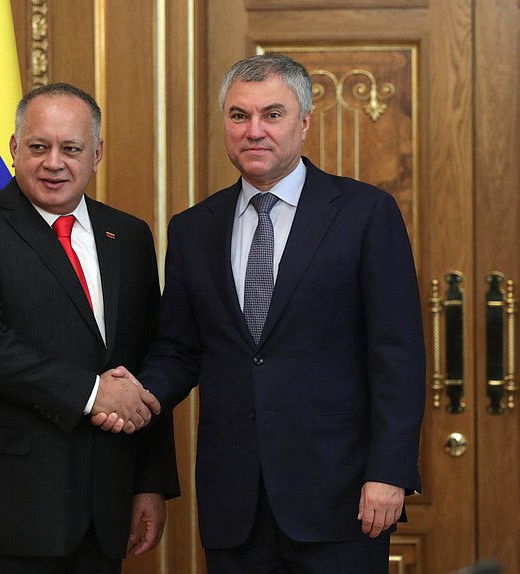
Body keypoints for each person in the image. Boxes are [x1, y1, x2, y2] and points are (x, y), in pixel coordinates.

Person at [96, 53, 425, 573]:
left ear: (304, 122)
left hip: (340, 496)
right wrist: (134, 395)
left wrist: (390, 472)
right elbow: (180, 348)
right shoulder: (193, 228)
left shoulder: (365, 214)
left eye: (272, 114)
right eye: (238, 115)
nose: (254, 131)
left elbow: (398, 356)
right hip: (235, 502)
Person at [0, 82, 179, 573]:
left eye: (71, 148)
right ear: (14, 148)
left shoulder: (127, 236)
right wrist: (92, 393)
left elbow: (145, 358)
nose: (54, 162)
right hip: (4, 511)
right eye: (39, 147)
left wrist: (150, 482)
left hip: (102, 509)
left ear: (97, 153)